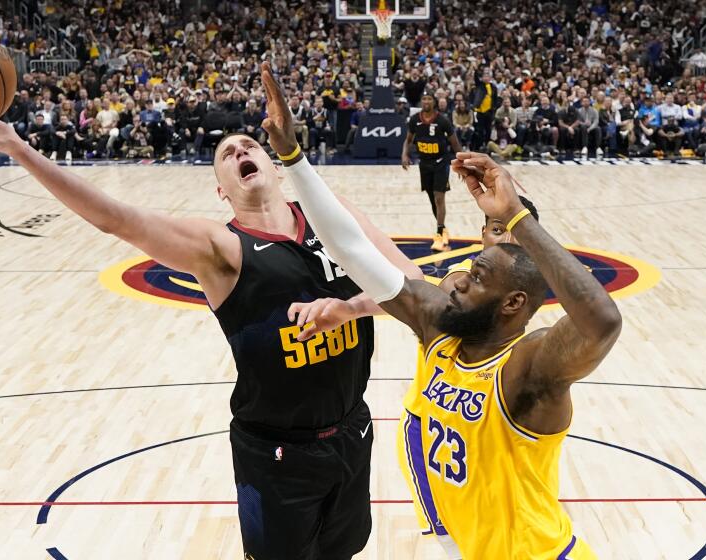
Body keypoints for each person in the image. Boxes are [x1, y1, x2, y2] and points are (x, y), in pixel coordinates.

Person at [0, 82, 420, 559]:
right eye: (227, 154)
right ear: (221, 190)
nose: (241, 151)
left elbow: (413, 280)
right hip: (275, 452)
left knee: (344, 552)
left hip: (352, 430)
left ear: (274, 163)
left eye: (249, 145)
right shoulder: (219, 247)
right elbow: (116, 218)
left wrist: (350, 308)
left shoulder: (332, 216)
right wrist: (16, 147)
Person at [260, 63, 620, 559]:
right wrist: (292, 157)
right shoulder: (440, 326)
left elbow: (601, 322)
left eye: (475, 279)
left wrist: (517, 215)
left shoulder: (528, 368)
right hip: (461, 540)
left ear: (513, 303)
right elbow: (352, 250)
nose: (455, 281)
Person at [402, 90, 462, 251]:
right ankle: (443, 228)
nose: (426, 101)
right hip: (424, 164)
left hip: (441, 163)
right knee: (432, 198)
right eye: (424, 99)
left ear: (434, 102)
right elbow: (408, 140)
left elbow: (455, 143)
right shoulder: (415, 120)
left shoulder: (442, 121)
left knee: (439, 198)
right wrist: (404, 155)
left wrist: (462, 163)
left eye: (429, 99)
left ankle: (438, 233)